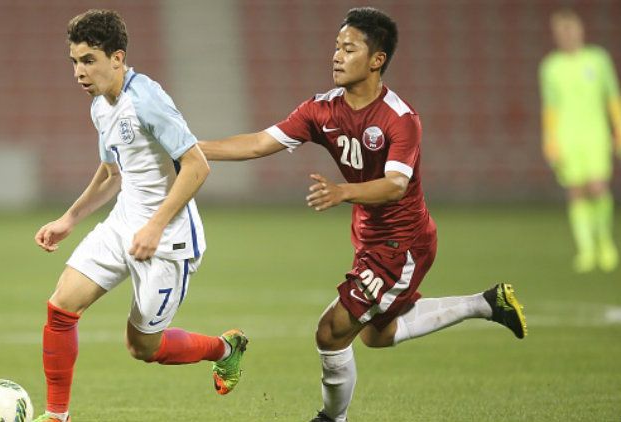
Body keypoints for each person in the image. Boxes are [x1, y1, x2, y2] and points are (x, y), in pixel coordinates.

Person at [199, 7, 527, 422]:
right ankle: (486, 304)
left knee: (331, 330)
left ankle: (332, 419)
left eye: (348, 49)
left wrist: (343, 192)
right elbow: (260, 142)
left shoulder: (400, 119)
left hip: (402, 243)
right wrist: (192, 148)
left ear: (377, 60)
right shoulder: (322, 109)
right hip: (370, 238)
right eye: (336, 47)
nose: (336, 56)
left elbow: (396, 184)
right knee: (377, 334)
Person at [31, 9, 247, 422]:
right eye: (74, 61)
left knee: (142, 348)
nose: (79, 71)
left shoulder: (146, 100)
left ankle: (226, 349)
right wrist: (69, 219)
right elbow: (113, 173)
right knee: (61, 309)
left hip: (168, 241)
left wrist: (156, 225)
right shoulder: (100, 105)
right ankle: (57, 416)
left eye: (89, 60)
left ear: (118, 57)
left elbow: (197, 165)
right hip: (123, 225)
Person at [539, 8, 621, 273]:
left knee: (598, 187)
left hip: (595, 133)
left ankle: (605, 243)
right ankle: (585, 249)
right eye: (561, 31)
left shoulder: (598, 60)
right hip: (567, 136)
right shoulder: (551, 67)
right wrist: (550, 140)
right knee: (576, 190)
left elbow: (612, 98)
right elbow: (549, 108)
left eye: (570, 29)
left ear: (580, 30)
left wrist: (618, 130)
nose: (567, 35)